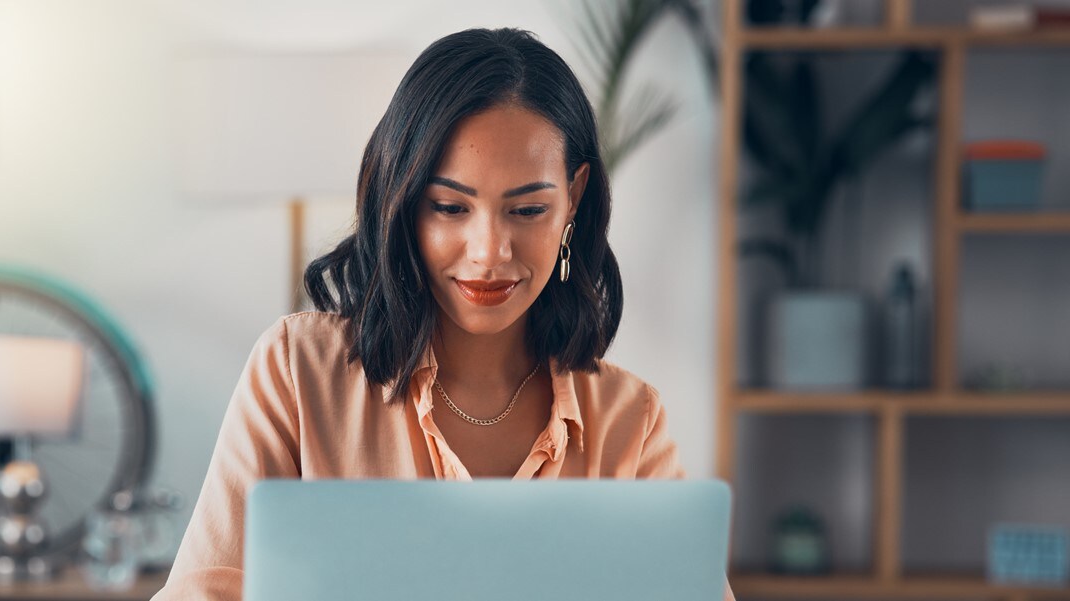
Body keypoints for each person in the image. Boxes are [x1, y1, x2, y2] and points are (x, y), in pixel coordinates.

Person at [152, 27, 736, 601]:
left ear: (574, 200)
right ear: (403, 204)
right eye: (450, 207)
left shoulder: (628, 420)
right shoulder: (297, 373)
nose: (489, 252)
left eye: (528, 209)